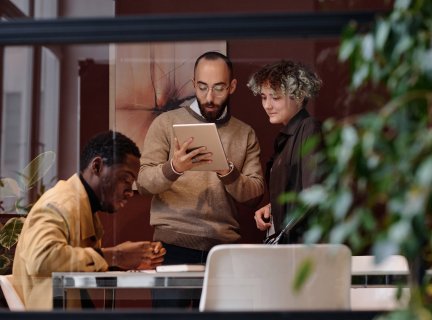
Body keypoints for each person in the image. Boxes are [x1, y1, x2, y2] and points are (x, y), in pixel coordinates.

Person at [12, 130, 166, 310]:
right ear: (97, 166)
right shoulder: (60, 203)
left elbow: (73, 264)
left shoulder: (81, 205)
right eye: (125, 179)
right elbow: (42, 258)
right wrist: (117, 255)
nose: (129, 192)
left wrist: (129, 261)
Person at [137, 51, 264, 264]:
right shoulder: (165, 123)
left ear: (232, 87)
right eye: (203, 87)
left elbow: (254, 196)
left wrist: (228, 172)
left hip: (223, 249)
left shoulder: (245, 133)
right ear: (194, 84)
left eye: (219, 88)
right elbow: (143, 184)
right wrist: (174, 168)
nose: (209, 98)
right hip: (171, 245)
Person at [247, 60, 324, 244]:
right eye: (264, 97)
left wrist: (282, 235)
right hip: (290, 246)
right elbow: (296, 189)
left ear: (298, 96)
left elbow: (314, 193)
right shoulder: (287, 137)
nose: (267, 105)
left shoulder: (308, 128)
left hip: (302, 248)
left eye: (275, 97)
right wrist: (273, 207)